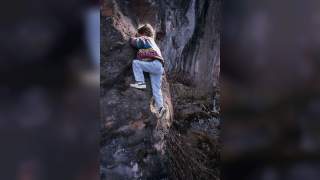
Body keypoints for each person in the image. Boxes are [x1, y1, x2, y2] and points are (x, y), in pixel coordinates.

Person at [129, 24, 166, 118]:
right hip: (159, 67)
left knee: (136, 63)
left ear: (144, 33)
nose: (139, 36)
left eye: (140, 34)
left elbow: (137, 43)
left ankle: (140, 83)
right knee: (156, 89)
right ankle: (161, 108)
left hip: (153, 64)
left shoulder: (146, 38)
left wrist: (132, 39)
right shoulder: (154, 43)